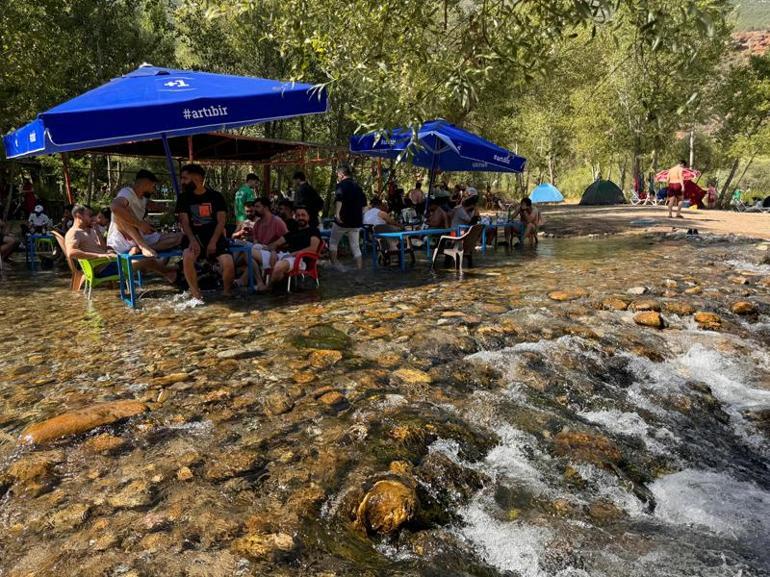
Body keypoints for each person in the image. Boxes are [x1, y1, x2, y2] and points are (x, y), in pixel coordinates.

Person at [66, 205, 176, 282]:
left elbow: (104, 247)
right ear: (79, 216)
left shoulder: (88, 230)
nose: (92, 218)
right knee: (144, 258)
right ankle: (168, 272)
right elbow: (71, 252)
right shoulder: (73, 233)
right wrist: (100, 255)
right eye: (89, 216)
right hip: (104, 268)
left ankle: (168, 272)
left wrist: (97, 231)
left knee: (138, 253)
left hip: (111, 262)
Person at [177, 163, 235, 300]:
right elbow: (184, 222)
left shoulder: (216, 196)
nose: (182, 181)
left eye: (185, 178)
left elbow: (221, 221)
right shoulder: (183, 198)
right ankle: (196, 293)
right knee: (187, 257)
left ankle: (226, 292)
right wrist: (192, 241)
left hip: (214, 235)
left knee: (228, 262)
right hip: (193, 236)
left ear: (196, 178)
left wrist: (213, 242)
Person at [108, 169, 182, 257]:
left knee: (179, 237)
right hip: (123, 239)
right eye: (153, 186)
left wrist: (175, 210)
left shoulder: (143, 199)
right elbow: (115, 207)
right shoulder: (127, 192)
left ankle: (141, 249)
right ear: (146, 183)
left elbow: (155, 206)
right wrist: (140, 224)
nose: (153, 190)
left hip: (138, 236)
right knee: (120, 212)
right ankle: (143, 246)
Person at [264, 206, 322, 289]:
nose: (300, 217)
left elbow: (313, 249)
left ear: (308, 217)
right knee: (254, 251)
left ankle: (267, 288)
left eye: (303, 215)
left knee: (278, 266)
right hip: (285, 256)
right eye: (298, 216)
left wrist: (292, 254)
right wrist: (273, 251)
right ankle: (254, 283)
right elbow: (274, 244)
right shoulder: (293, 232)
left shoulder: (313, 231)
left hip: (300, 259)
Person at [329, 163, 366, 270]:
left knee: (333, 242)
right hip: (356, 221)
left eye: (338, 174)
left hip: (343, 220)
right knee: (355, 246)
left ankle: (335, 265)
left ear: (341, 174)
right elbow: (364, 206)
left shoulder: (341, 185)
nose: (337, 176)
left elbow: (339, 199)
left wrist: (337, 215)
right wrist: (360, 217)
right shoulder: (358, 186)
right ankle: (359, 269)